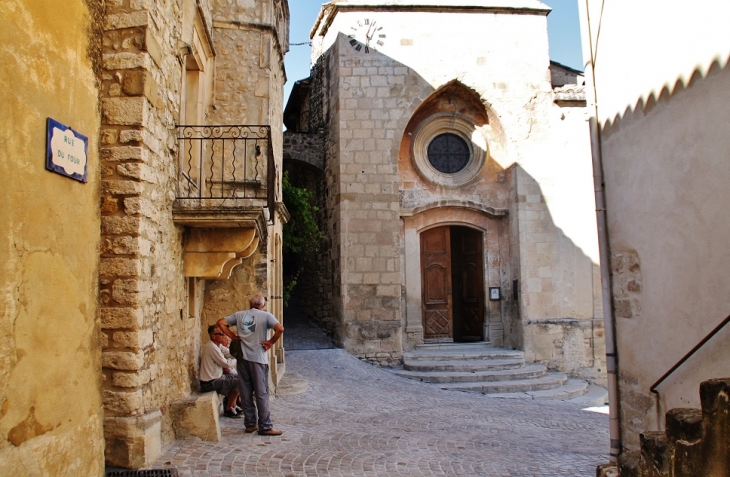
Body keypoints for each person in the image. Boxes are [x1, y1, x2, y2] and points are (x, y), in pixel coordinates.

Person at [217, 294, 284, 436]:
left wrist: (233, 336)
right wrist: (271, 342)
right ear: (263, 305)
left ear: (249, 303)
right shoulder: (266, 316)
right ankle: (265, 426)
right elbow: (280, 329)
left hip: (242, 358)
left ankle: (250, 424)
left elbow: (221, 323)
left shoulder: (240, 315)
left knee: (246, 391)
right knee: (261, 393)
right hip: (258, 358)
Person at [199, 324, 242, 418]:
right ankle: (229, 408)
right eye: (221, 334)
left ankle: (233, 405)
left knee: (238, 377)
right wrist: (237, 359)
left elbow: (229, 353)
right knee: (239, 382)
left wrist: (236, 355)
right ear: (213, 336)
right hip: (210, 382)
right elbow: (225, 363)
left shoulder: (218, 346)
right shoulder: (211, 347)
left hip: (217, 377)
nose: (224, 336)